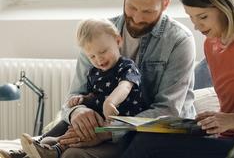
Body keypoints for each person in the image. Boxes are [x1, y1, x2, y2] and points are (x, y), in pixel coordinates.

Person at [0, 0, 196, 158]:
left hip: (147, 131)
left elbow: (168, 111)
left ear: (165, 4)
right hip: (102, 121)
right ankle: (32, 151)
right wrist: (78, 112)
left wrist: (107, 131)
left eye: (147, 11)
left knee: (73, 154)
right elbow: (74, 96)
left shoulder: (179, 41)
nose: (137, 18)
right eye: (132, 8)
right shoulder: (98, 33)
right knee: (67, 122)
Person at [120, 0, 234, 158]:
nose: (197, 26)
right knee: (148, 136)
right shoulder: (211, 44)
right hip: (225, 138)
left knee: (149, 143)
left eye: (203, 17)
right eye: (192, 18)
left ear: (225, 6)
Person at [18, 18, 146, 158]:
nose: (99, 59)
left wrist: (111, 102)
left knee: (76, 138)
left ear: (118, 41)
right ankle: (35, 150)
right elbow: (93, 95)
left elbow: (125, 86)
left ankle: (53, 148)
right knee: (68, 121)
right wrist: (82, 99)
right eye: (92, 56)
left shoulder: (127, 66)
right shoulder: (94, 72)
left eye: (103, 51)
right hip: (96, 122)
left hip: (118, 130)